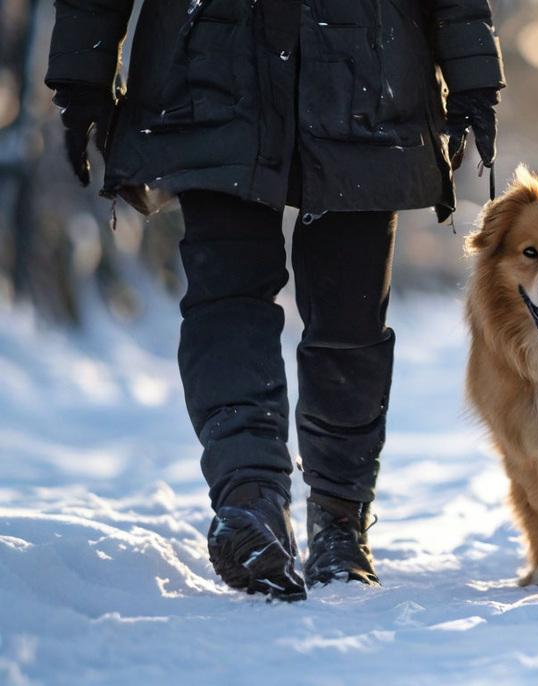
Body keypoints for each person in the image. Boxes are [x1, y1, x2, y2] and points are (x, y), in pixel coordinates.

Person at [45, 0, 504, 601]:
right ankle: (249, 501)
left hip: (360, 75)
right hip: (211, 68)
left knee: (350, 314)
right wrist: (82, 75)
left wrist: (474, 80)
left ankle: (340, 518)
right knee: (227, 295)